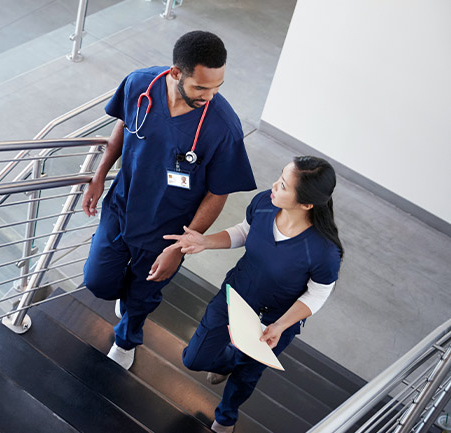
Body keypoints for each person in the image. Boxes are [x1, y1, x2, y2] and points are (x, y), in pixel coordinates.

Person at [81, 30, 256, 370]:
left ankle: (126, 339)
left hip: (167, 230)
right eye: (201, 88)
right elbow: (124, 126)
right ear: (176, 73)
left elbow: (218, 192)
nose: (210, 96)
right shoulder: (139, 85)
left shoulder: (223, 127)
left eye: (217, 87)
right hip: (121, 208)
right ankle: (125, 297)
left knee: (143, 297)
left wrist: (180, 246)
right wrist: (99, 175)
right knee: (97, 282)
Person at [163, 156, 344, 433]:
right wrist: (206, 241)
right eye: (279, 177)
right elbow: (245, 232)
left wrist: (280, 326)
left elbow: (317, 294)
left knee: (247, 375)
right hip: (236, 295)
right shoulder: (264, 203)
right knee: (194, 359)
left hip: (275, 320)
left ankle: (226, 417)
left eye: (283, 185)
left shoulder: (324, 251)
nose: (274, 185)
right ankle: (229, 360)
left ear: (306, 204)